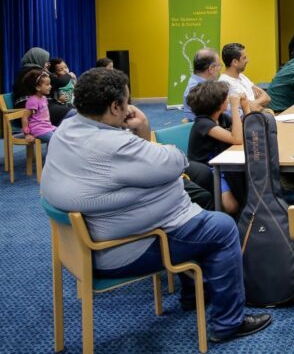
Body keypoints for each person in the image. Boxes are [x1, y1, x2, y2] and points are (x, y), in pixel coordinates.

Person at [40, 67, 272, 343]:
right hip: (120, 249)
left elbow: (137, 167)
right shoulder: (114, 145)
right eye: (126, 101)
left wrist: (140, 130)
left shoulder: (65, 130)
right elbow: (177, 161)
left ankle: (195, 293)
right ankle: (227, 323)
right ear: (115, 107)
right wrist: (147, 136)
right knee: (220, 227)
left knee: (191, 217)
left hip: (78, 246)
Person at [186, 81, 250, 215]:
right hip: (209, 171)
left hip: (224, 165)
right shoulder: (202, 123)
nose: (228, 99)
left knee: (246, 193)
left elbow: (248, 130)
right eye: (225, 98)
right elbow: (237, 139)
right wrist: (234, 107)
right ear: (218, 103)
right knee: (231, 206)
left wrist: (245, 107)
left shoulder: (221, 118)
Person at [219, 42, 271, 114]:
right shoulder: (225, 83)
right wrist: (258, 102)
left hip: (260, 114)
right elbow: (251, 108)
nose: (247, 60)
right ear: (235, 62)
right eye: (244, 58)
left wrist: (254, 103)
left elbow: (267, 97)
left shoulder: (242, 76)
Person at [183, 48, 221, 122]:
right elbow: (225, 113)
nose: (220, 68)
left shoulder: (199, 84)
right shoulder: (200, 91)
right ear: (211, 68)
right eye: (219, 65)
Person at [21, 69, 57, 145]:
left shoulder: (44, 98)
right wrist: (27, 134)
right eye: (47, 84)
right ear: (38, 88)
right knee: (56, 139)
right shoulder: (33, 100)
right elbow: (25, 117)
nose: (50, 86)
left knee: (62, 134)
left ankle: (51, 152)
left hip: (47, 127)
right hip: (38, 130)